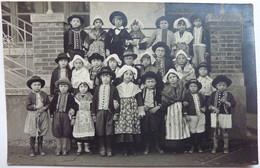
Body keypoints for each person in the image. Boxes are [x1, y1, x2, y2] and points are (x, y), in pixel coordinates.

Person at [114, 65, 145, 156]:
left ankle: (132, 147)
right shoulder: (118, 87)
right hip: (123, 109)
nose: (128, 76)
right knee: (123, 127)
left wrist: (140, 110)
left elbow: (139, 99)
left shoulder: (135, 87)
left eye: (130, 74)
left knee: (132, 127)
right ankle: (124, 148)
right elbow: (116, 98)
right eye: (126, 74)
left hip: (132, 109)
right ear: (123, 75)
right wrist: (116, 109)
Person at [92, 67, 120, 157]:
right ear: (100, 78)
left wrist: (116, 113)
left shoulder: (113, 88)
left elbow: (117, 101)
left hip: (109, 112)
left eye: (107, 76)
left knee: (109, 130)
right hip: (99, 112)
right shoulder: (97, 88)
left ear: (111, 78)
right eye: (103, 76)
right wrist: (93, 113)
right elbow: (94, 101)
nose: (105, 78)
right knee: (100, 130)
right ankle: (102, 147)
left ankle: (109, 147)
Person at [161, 69, 190, 153]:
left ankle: (181, 147)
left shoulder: (182, 88)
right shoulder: (166, 90)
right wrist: (165, 114)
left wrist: (185, 111)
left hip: (180, 108)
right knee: (171, 127)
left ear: (177, 78)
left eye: (174, 77)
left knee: (181, 127)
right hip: (170, 109)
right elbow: (164, 103)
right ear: (168, 80)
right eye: (170, 77)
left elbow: (185, 98)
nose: (172, 79)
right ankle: (172, 148)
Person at [49, 78, 78, 156]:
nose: (63, 88)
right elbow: (51, 106)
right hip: (57, 115)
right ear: (58, 87)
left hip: (66, 116)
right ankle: (58, 148)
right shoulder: (56, 96)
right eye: (61, 86)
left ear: (68, 87)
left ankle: (65, 148)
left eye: (65, 86)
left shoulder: (70, 96)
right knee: (57, 130)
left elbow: (75, 105)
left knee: (66, 131)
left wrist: (73, 113)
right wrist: (51, 116)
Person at [208, 75, 236, 154]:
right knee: (215, 131)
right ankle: (215, 146)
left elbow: (233, 104)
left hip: (225, 115)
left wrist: (226, 102)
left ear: (227, 86)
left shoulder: (229, 95)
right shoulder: (213, 94)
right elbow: (208, 103)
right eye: (219, 85)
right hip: (215, 115)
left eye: (224, 85)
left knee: (224, 131)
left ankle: (226, 147)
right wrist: (213, 108)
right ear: (216, 86)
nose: (222, 87)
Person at [24, 76, 50, 157]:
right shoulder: (30, 95)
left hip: (42, 114)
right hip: (33, 114)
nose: (37, 86)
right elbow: (27, 106)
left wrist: (45, 108)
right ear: (31, 86)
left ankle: (40, 148)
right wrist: (35, 106)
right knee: (33, 131)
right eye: (35, 85)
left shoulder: (44, 94)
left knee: (41, 131)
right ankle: (32, 149)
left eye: (38, 85)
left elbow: (48, 103)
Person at [140, 72, 164, 155]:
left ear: (156, 82)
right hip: (145, 111)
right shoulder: (142, 91)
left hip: (155, 111)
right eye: (148, 82)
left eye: (152, 81)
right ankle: (147, 146)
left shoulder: (158, 91)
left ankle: (157, 145)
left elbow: (162, 101)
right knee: (146, 129)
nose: (150, 84)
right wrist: (143, 106)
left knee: (155, 128)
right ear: (145, 83)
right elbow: (139, 101)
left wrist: (157, 107)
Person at [183, 79, 206, 153]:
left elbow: (204, 104)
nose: (193, 88)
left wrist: (204, 108)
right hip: (192, 115)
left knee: (200, 131)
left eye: (195, 86)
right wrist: (185, 115)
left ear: (198, 88)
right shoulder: (187, 96)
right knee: (192, 131)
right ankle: (192, 146)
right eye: (191, 86)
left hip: (200, 115)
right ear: (188, 88)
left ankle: (199, 146)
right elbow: (184, 106)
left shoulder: (201, 96)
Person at [73, 80, 95, 155]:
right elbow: (74, 107)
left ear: (88, 87)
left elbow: (92, 107)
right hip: (79, 116)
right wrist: (73, 115)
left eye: (85, 87)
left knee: (87, 132)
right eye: (81, 87)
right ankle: (79, 147)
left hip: (88, 116)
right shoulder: (76, 97)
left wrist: (93, 114)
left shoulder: (91, 97)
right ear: (78, 88)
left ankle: (86, 147)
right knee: (79, 131)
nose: (83, 88)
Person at [197, 62, 215, 138]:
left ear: (207, 71)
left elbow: (214, 91)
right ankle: (201, 137)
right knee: (201, 117)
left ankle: (209, 137)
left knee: (208, 118)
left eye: (205, 69)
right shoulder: (197, 80)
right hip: (200, 100)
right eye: (201, 69)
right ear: (198, 71)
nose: (203, 71)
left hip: (209, 99)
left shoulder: (211, 80)